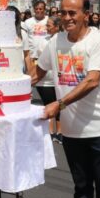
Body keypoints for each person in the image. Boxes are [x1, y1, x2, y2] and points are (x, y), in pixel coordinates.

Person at [32, 0, 100, 198]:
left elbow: (92, 81)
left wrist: (59, 104)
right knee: (81, 185)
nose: (67, 17)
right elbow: (37, 73)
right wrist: (8, 89)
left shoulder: (98, 42)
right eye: (63, 12)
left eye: (72, 13)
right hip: (70, 130)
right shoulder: (56, 41)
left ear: (85, 15)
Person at [30, 15, 62, 143]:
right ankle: (49, 132)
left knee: (61, 107)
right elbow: (37, 61)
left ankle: (60, 132)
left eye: (49, 25)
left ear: (57, 27)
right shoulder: (43, 41)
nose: (46, 27)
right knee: (47, 106)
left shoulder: (65, 40)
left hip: (60, 81)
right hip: (44, 82)